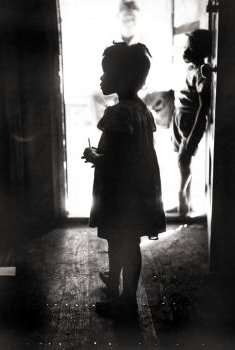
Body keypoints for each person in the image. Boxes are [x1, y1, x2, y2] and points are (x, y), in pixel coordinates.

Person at [82, 42, 166, 321]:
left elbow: (113, 160)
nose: (102, 78)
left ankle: (125, 301)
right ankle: (122, 291)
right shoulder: (141, 109)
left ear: (124, 78)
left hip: (120, 194)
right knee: (128, 243)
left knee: (121, 243)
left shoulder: (119, 113)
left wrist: (92, 154)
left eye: (107, 73)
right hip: (137, 190)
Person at [172, 29, 212, 215]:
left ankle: (181, 196)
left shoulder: (203, 72)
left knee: (183, 160)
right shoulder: (190, 69)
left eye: (190, 48)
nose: (185, 52)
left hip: (190, 121)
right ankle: (185, 202)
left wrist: (193, 134)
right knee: (182, 161)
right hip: (180, 118)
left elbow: (203, 107)